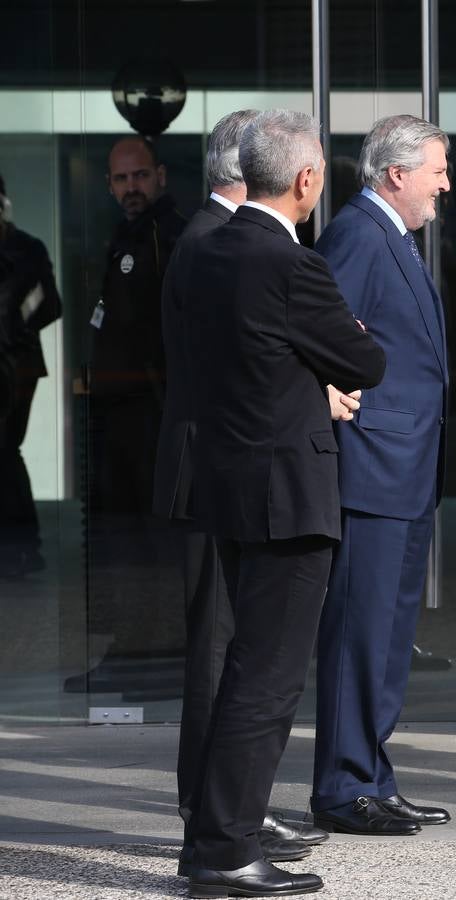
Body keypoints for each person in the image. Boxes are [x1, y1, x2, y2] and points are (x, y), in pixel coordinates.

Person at [173, 108, 385, 898]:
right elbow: (365, 358)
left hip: (230, 485)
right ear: (305, 180)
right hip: (289, 493)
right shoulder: (289, 263)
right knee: (267, 677)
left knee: (242, 670)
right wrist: (328, 347)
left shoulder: (204, 251)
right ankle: (226, 851)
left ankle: (213, 840)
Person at [155, 110, 327, 877]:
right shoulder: (216, 244)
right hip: (233, 468)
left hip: (229, 465)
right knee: (231, 654)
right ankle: (219, 822)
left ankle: (225, 820)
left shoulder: (219, 243)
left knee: (237, 653)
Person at [310, 114, 452, 837]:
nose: (445, 185)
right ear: (396, 174)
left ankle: (371, 774)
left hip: (404, 471)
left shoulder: (389, 236)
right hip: (372, 469)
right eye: (437, 171)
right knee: (360, 634)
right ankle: (341, 787)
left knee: (390, 635)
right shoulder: (358, 235)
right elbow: (323, 338)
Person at [75, 134, 186, 691]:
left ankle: (160, 652)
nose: (131, 188)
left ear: (160, 175)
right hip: (118, 412)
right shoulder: (125, 234)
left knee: (154, 538)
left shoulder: (171, 235)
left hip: (153, 411)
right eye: (120, 180)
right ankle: (132, 647)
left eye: (139, 176)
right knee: (122, 537)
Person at [0, 174, 62, 579]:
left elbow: (49, 304)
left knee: (5, 447)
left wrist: (16, 325)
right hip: (15, 359)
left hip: (17, 363)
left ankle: (25, 546)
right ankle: (23, 548)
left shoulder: (26, 249)